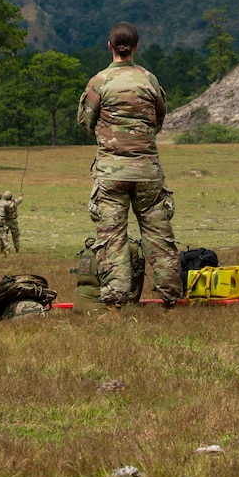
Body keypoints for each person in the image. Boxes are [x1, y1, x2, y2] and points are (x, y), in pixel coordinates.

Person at [77, 21, 182, 314]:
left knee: (112, 237)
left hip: (111, 173)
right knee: (159, 235)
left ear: (110, 46)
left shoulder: (99, 82)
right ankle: (171, 297)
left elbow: (86, 122)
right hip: (148, 171)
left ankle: (115, 299)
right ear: (136, 47)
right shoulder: (149, 80)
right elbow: (158, 120)